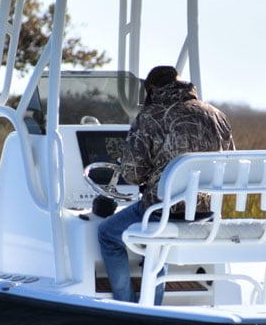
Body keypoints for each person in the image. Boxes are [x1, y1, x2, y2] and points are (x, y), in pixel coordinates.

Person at [97, 65, 234, 303]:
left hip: (162, 213)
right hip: (205, 213)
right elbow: (229, 166)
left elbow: (133, 174)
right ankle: (153, 303)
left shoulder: (150, 117)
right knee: (157, 235)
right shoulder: (216, 114)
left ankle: (125, 303)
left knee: (107, 233)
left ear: (151, 88)